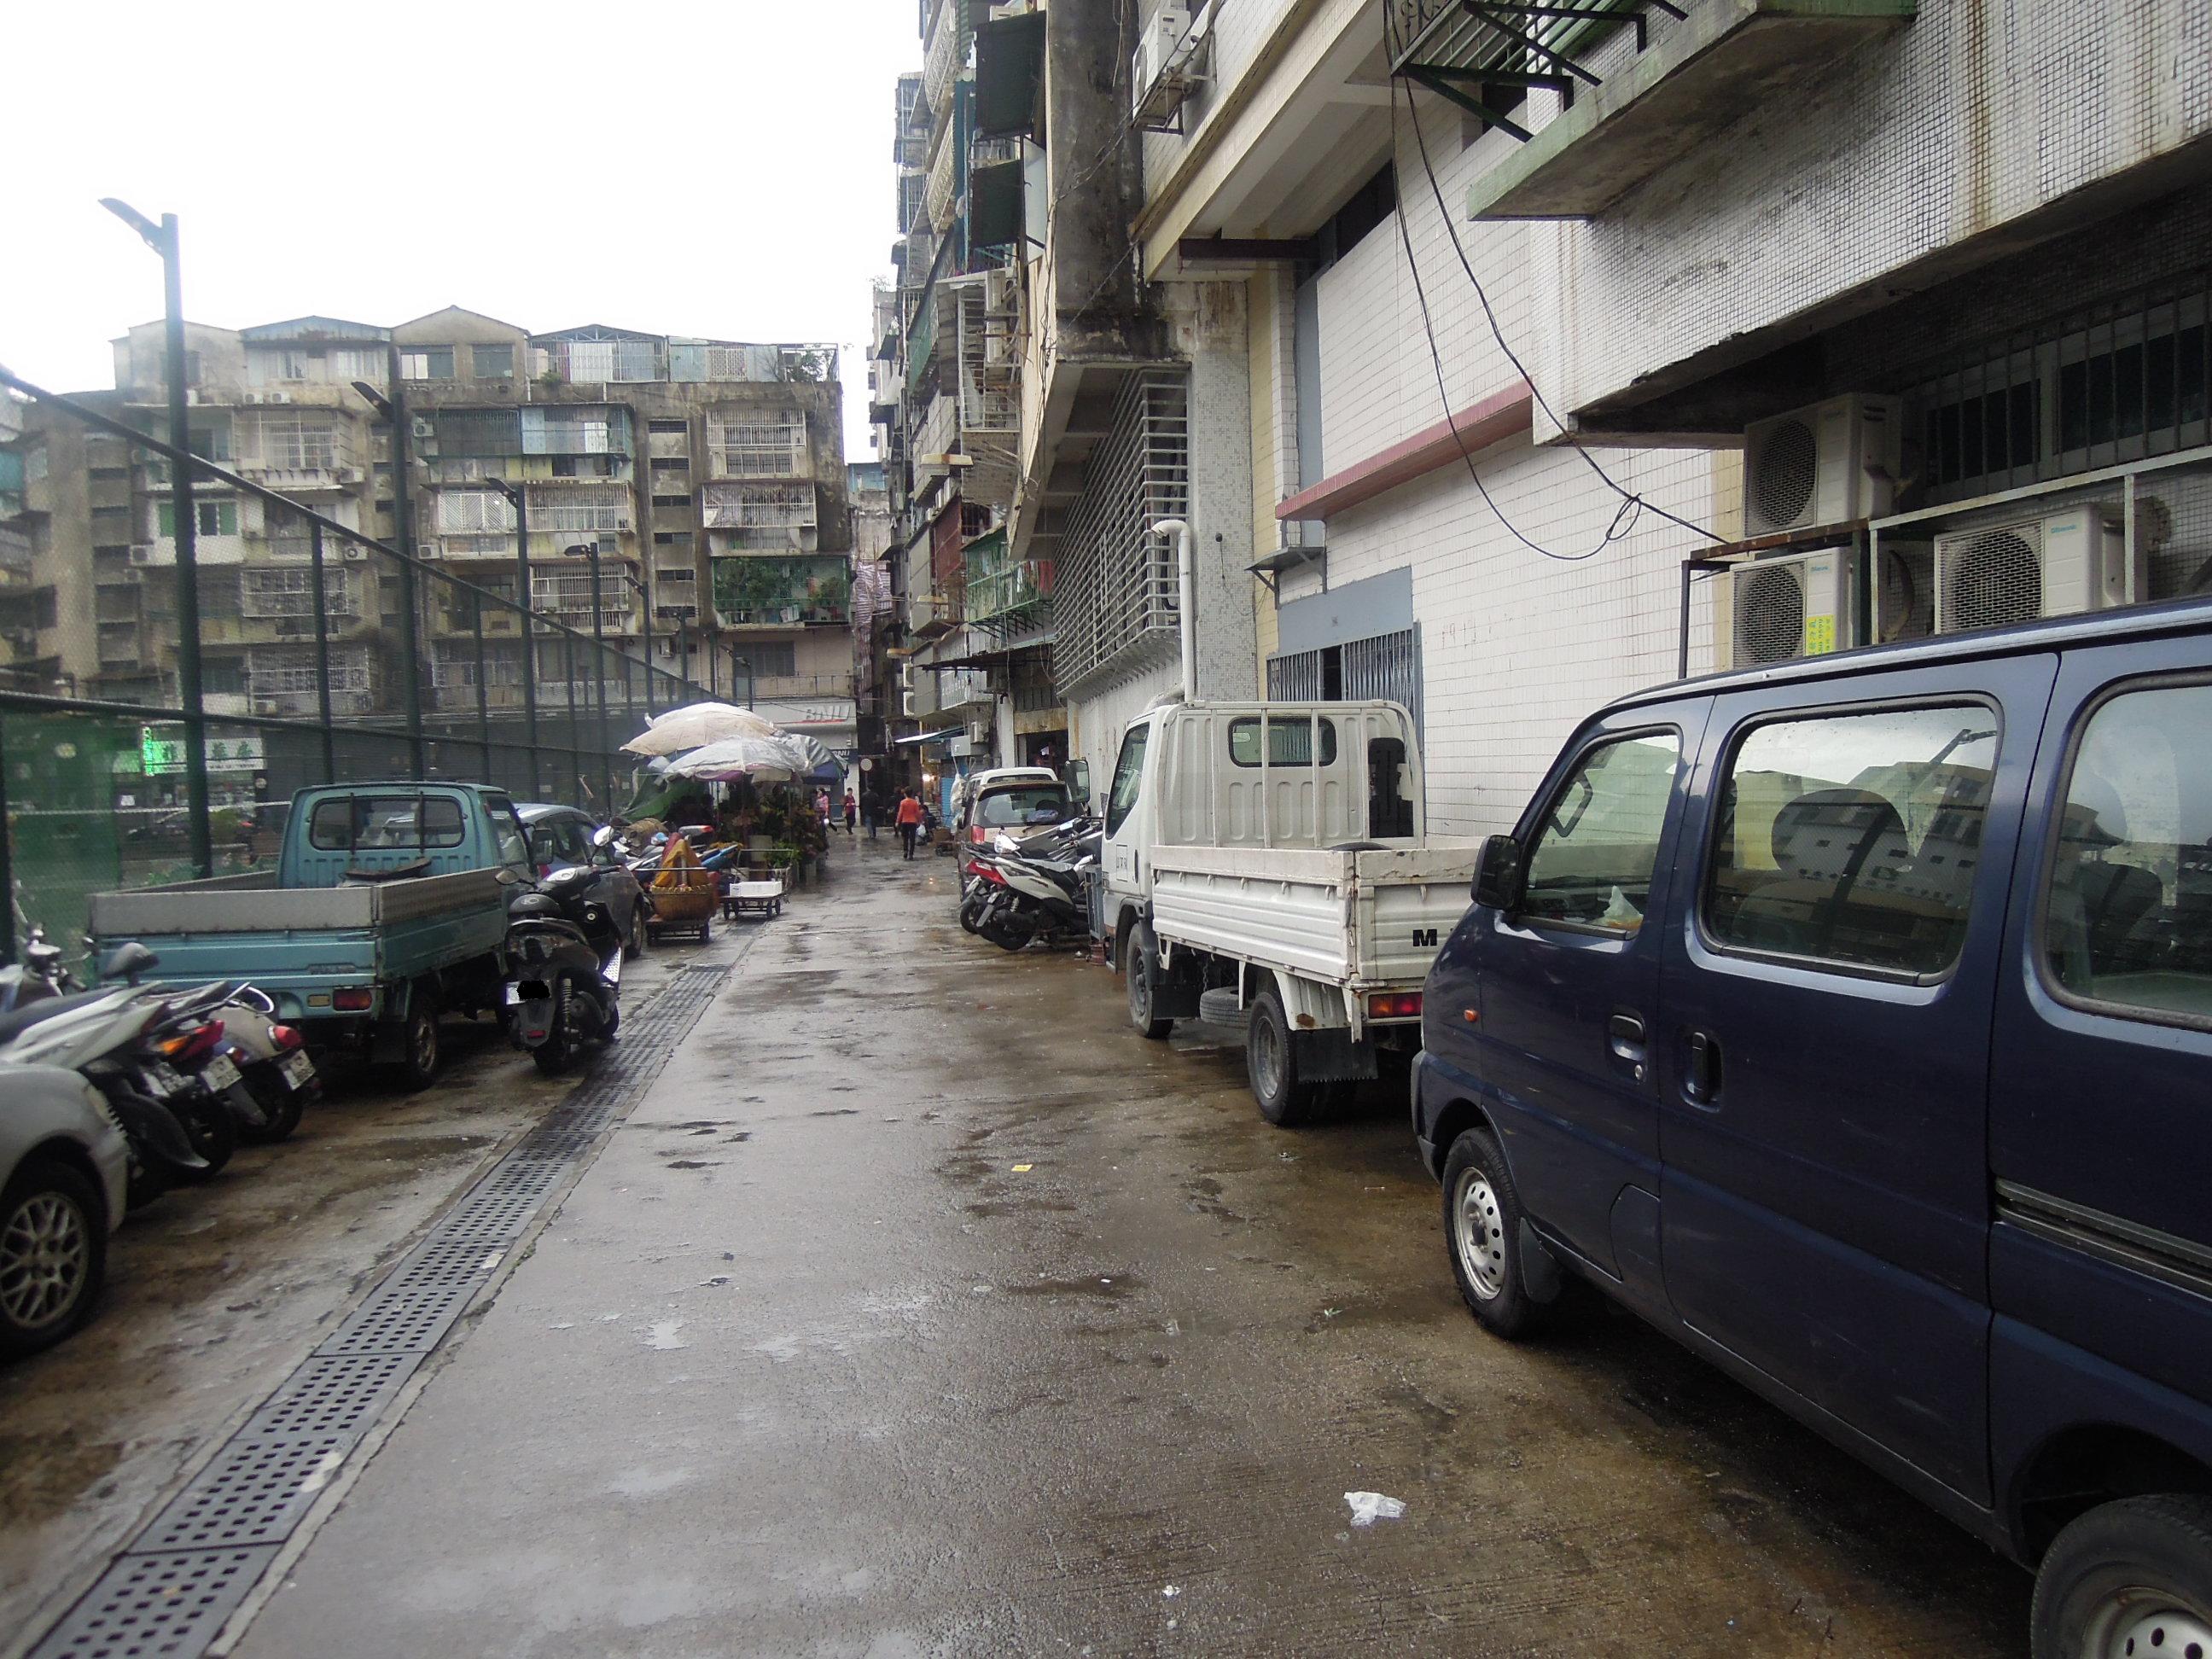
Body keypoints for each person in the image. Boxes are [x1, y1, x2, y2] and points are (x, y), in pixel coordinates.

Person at [894, 789, 925, 860]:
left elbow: (900, 813)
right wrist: (920, 821)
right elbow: (917, 813)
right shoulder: (914, 802)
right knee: (912, 838)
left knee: (905, 838)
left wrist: (897, 821)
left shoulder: (903, 802)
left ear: (905, 794)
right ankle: (911, 854)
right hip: (913, 822)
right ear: (912, 794)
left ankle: (905, 851)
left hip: (904, 822)